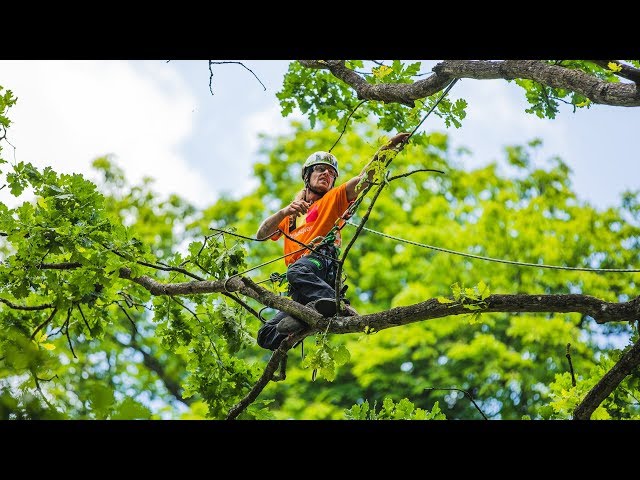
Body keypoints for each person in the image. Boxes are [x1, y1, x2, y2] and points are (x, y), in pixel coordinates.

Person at [256, 133, 410, 350]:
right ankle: (307, 315)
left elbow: (366, 178)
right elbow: (260, 235)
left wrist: (389, 147)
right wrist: (284, 211)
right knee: (265, 335)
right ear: (307, 175)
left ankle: (338, 305)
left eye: (331, 173)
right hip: (302, 284)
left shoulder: (335, 199)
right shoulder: (291, 215)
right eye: (320, 170)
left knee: (297, 271)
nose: (326, 174)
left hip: (320, 262)